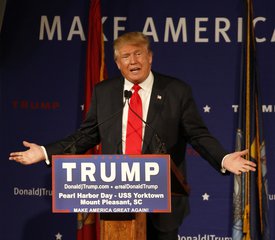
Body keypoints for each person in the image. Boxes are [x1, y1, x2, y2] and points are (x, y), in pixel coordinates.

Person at [9, 32, 256, 240]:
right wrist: (44, 152)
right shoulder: (104, 93)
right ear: (118, 63)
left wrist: (223, 158)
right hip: (118, 198)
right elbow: (85, 137)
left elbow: (198, 135)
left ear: (149, 57)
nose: (133, 61)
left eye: (138, 54)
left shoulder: (175, 91)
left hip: (163, 202)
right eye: (125, 56)